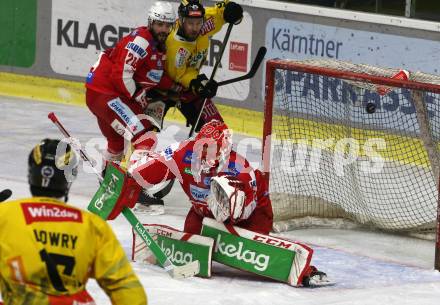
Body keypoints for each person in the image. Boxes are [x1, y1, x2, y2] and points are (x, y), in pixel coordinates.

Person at [0, 139, 147, 305]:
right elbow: (129, 291)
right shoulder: (92, 226)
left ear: (30, 174)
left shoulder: (5, 216)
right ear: (70, 177)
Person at [129, 120, 273, 235]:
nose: (204, 152)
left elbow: (247, 208)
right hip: (203, 213)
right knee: (192, 238)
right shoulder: (182, 151)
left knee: (248, 253)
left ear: (223, 148)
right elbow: (147, 169)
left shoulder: (240, 168)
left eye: (210, 148)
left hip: (253, 214)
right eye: (201, 146)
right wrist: (128, 179)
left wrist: (232, 209)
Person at [85, 1, 182, 167]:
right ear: (150, 22)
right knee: (145, 136)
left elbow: (153, 75)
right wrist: (139, 96)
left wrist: (176, 88)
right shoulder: (142, 41)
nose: (164, 30)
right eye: (160, 24)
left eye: (168, 26)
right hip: (107, 95)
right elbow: (120, 75)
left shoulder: (156, 45)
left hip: (100, 96)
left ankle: (109, 179)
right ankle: (135, 182)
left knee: (116, 144)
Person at [155, 0, 244, 132]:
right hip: (161, 87)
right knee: (147, 134)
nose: (195, 28)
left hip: (190, 86)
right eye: (190, 23)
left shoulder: (204, 23)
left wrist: (229, 10)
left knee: (218, 132)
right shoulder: (175, 45)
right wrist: (199, 82)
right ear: (181, 20)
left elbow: (219, 13)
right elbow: (180, 76)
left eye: (198, 23)